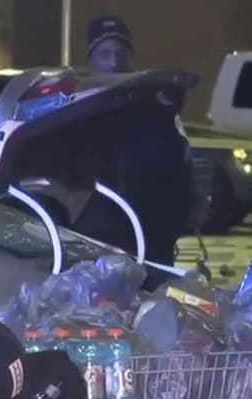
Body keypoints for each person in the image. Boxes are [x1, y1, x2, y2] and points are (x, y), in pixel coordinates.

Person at [73, 14, 196, 271]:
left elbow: (179, 174)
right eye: (105, 54)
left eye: (121, 53)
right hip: (96, 240)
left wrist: (174, 226)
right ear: (91, 59)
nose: (114, 62)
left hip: (152, 242)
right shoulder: (75, 112)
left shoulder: (157, 111)